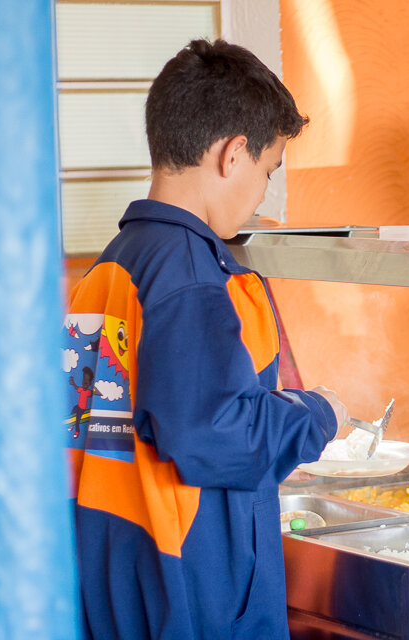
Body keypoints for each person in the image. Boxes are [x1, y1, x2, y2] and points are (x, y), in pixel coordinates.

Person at [62, 39, 349, 638]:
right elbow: (212, 434)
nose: (262, 192)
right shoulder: (190, 274)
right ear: (232, 153)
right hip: (190, 588)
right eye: (267, 170)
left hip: (114, 566)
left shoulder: (112, 266)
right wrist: (318, 413)